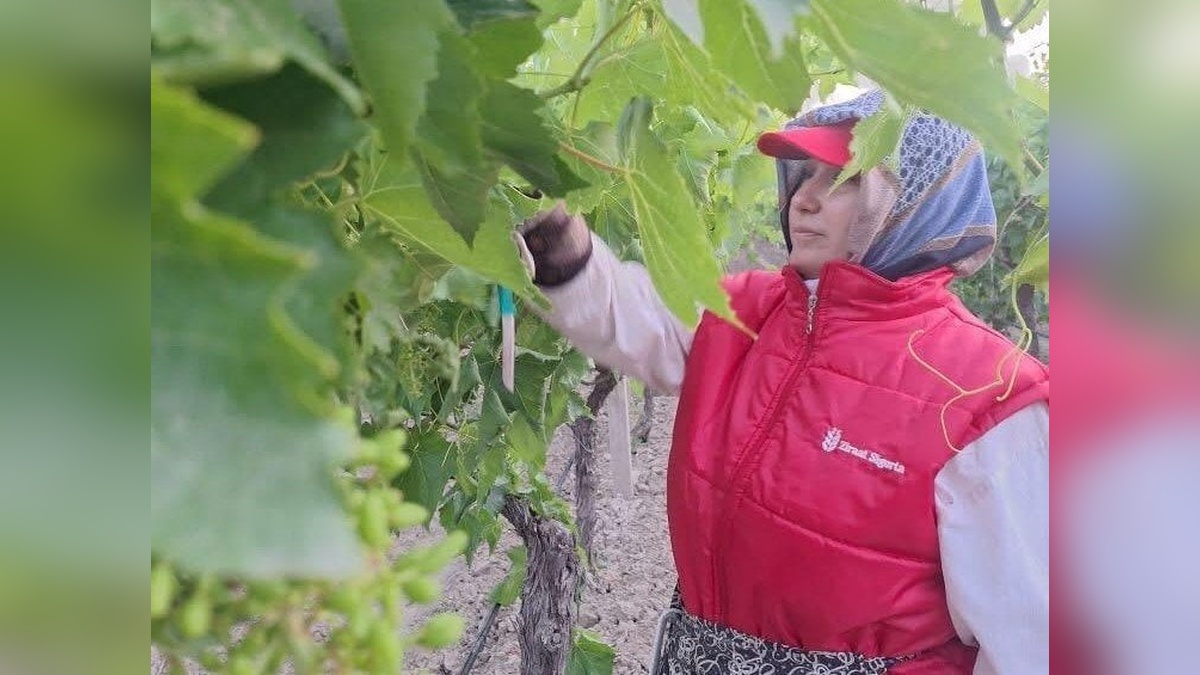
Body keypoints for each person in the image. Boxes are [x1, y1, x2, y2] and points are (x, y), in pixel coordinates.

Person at [515, 89, 1049, 674]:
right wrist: (559, 243)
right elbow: (639, 323)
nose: (807, 200)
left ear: (914, 208)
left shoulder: (987, 393)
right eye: (806, 174)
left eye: (844, 180)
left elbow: (1028, 634)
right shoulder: (752, 310)